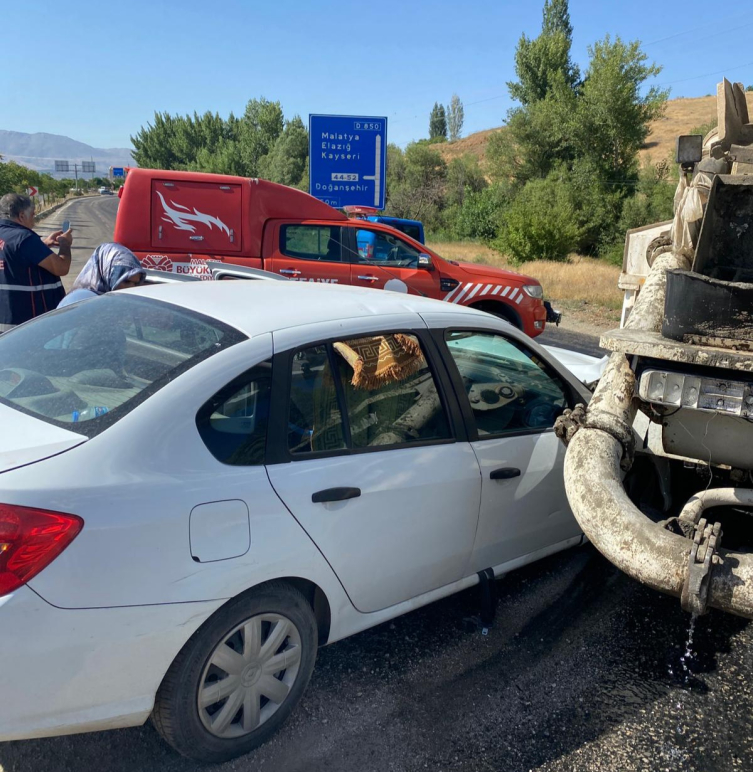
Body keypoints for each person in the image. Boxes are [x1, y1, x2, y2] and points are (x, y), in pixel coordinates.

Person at [0, 193, 73, 331]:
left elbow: (13, 257)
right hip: (27, 324)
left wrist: (42, 245)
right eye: (32, 215)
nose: (33, 221)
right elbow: (61, 268)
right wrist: (65, 244)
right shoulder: (24, 238)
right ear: (22, 216)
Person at [58, 242, 145, 307]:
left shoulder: (115, 303)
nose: (131, 288)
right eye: (126, 281)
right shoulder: (80, 301)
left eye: (135, 283)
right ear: (107, 274)